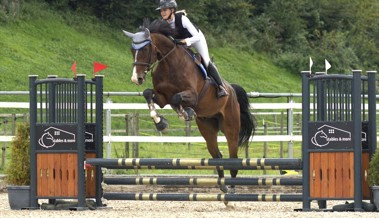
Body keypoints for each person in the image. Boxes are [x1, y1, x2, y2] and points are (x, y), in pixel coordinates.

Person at [156, 0, 228, 98]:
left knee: (206, 61)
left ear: (172, 10)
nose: (162, 12)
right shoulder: (163, 23)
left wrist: (185, 41)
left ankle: (221, 87)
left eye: (165, 10)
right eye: (161, 10)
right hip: (181, 42)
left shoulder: (182, 19)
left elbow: (197, 36)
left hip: (197, 40)